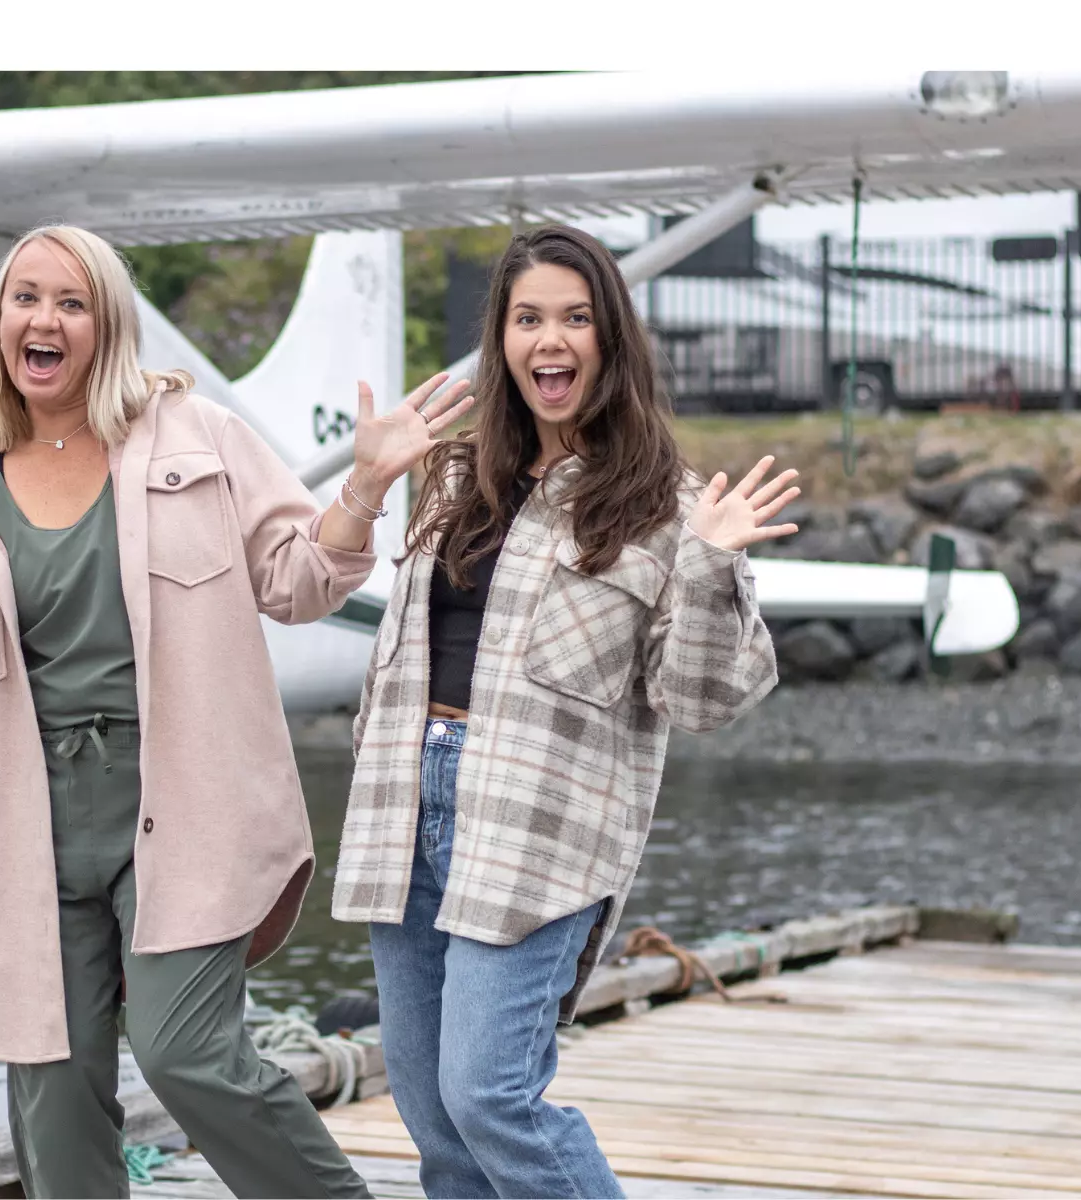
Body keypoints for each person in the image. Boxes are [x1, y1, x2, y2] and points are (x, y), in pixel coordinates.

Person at [0, 223, 470, 1199]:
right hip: (28, 815)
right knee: (51, 1088)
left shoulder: (199, 436)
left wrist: (366, 486)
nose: (44, 319)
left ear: (106, 327)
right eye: (24, 298)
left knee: (185, 1051)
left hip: (185, 802)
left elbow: (297, 582)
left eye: (70, 302)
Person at [333, 224, 797, 1199]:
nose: (551, 338)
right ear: (501, 343)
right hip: (401, 811)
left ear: (609, 342)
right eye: (527, 318)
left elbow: (704, 699)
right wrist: (363, 484)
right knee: (432, 1118)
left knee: (490, 1095)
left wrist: (713, 566)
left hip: (539, 832)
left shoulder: (662, 508)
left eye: (575, 318)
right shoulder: (452, 477)